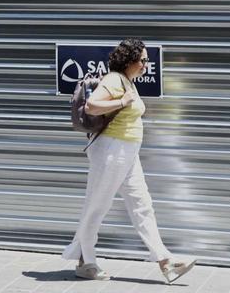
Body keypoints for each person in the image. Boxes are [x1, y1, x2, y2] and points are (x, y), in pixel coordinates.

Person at [62, 39, 194, 282]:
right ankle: (86, 261)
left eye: (147, 60)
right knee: (97, 206)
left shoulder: (128, 82)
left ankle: (165, 261)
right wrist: (122, 102)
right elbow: (92, 106)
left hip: (128, 154)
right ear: (129, 60)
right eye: (142, 60)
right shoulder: (114, 79)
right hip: (111, 151)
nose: (146, 65)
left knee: (142, 205)